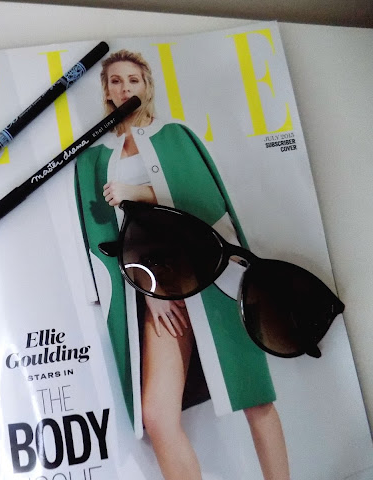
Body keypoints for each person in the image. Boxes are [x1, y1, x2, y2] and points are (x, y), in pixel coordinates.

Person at [74, 49, 290, 480]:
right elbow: (103, 242)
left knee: (254, 395)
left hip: (213, 275)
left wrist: (137, 193)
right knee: (157, 416)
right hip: (156, 289)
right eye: (116, 81)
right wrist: (148, 291)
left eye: (133, 79)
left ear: (146, 86)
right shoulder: (94, 158)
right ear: (106, 91)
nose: (125, 88)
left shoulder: (174, 136)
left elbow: (202, 204)